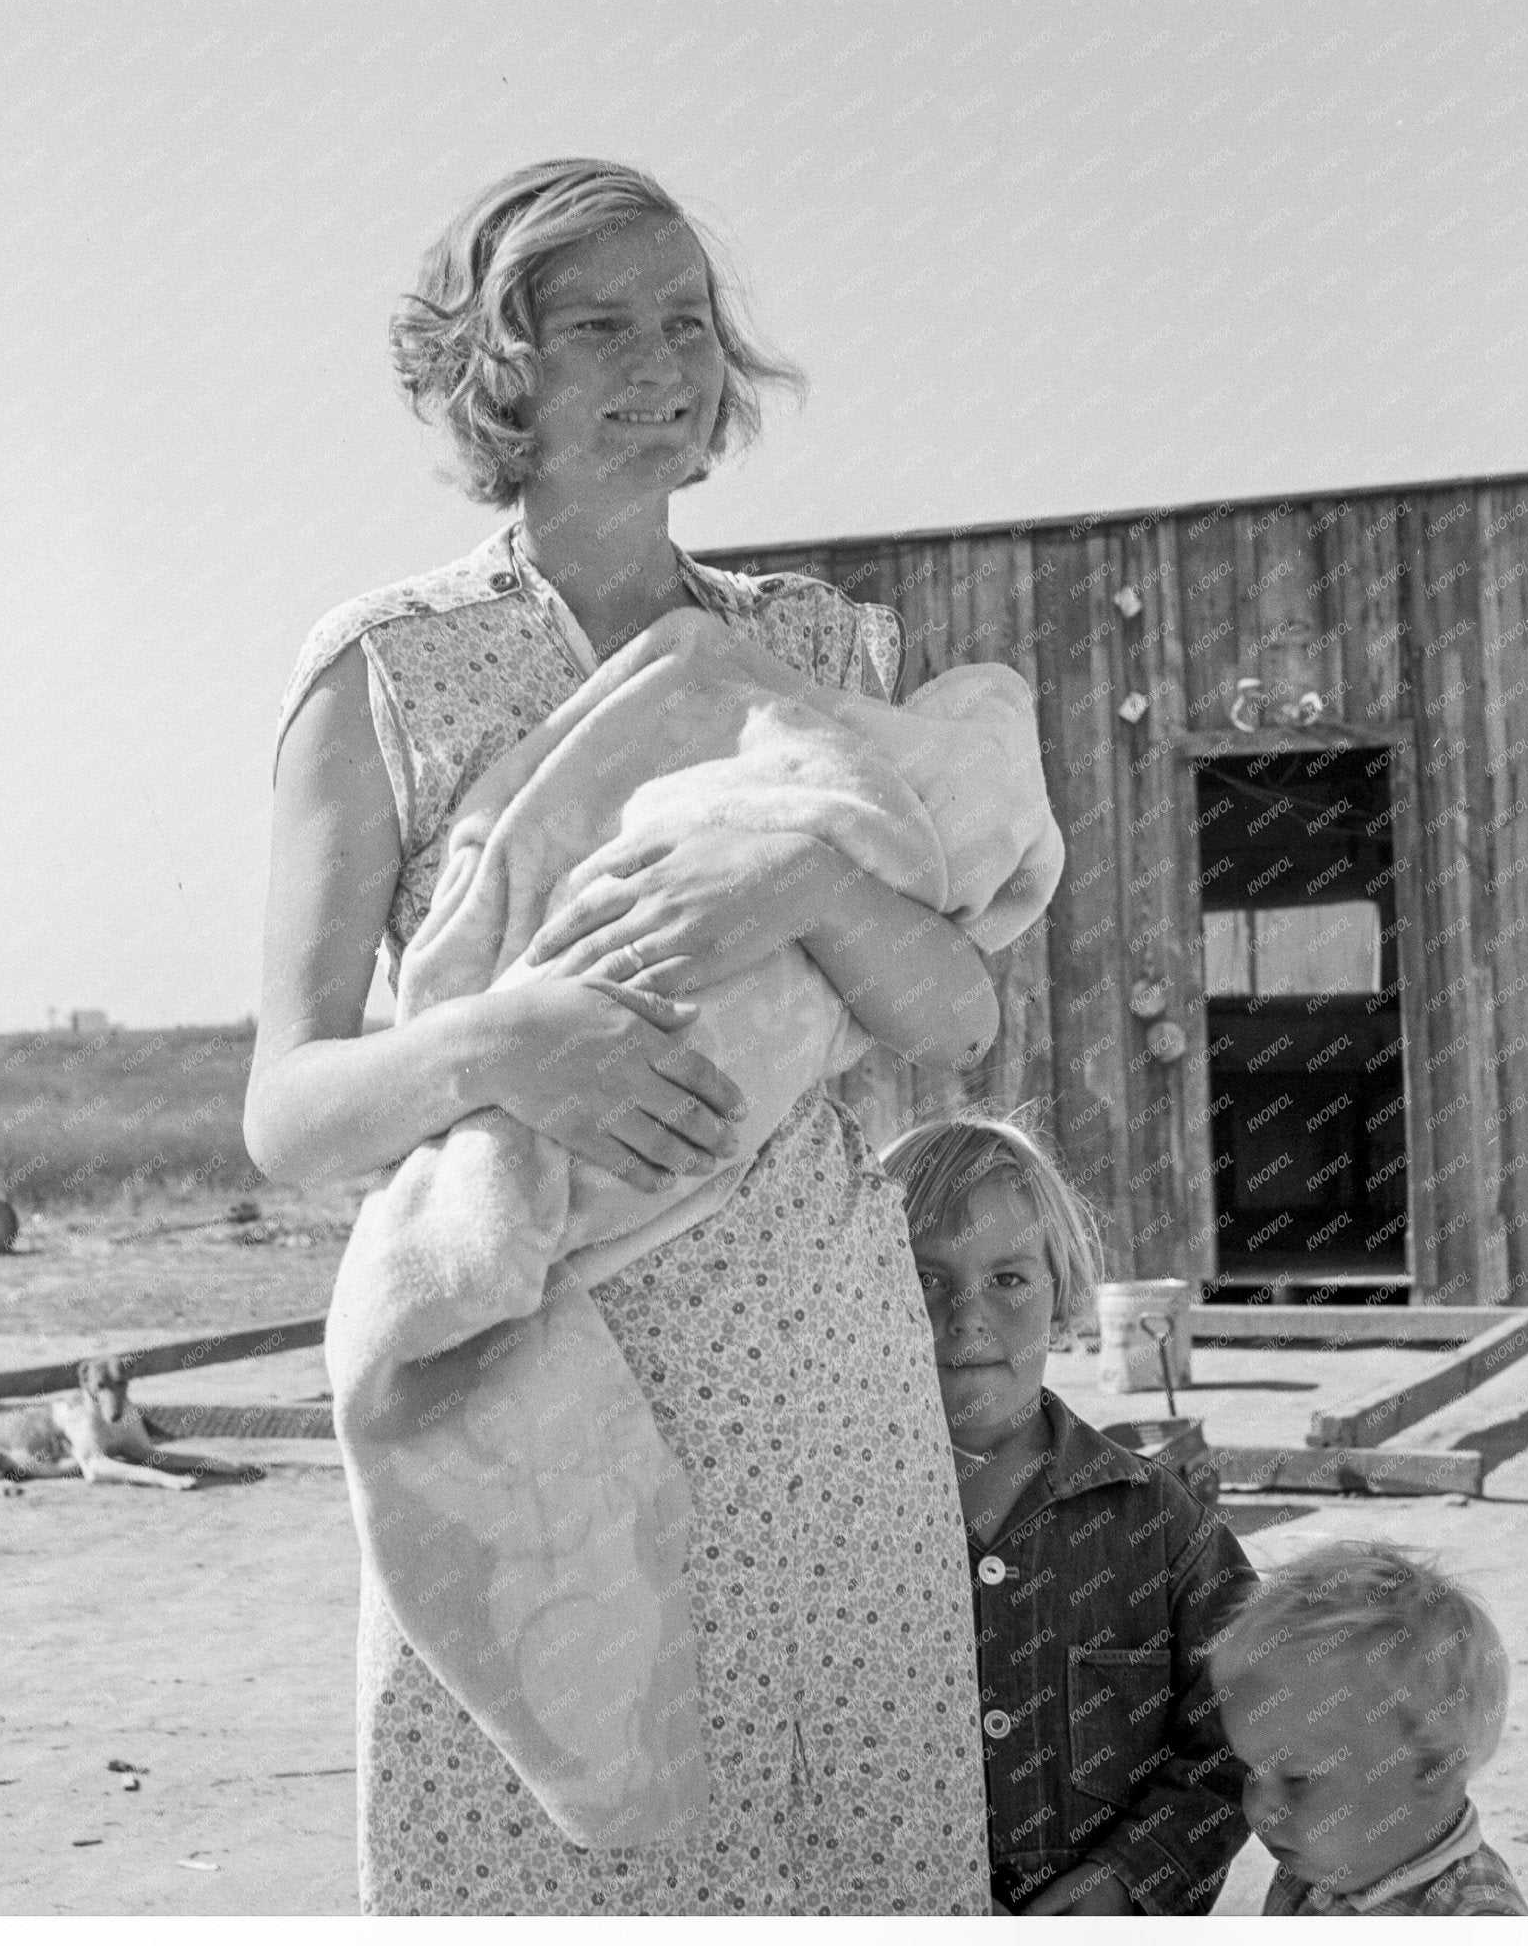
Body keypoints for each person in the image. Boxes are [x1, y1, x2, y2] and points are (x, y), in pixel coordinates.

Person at [245, 158, 1006, 1915]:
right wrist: (511, 1040)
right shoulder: (386, 670)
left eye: (686, 320)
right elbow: (290, 1113)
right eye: (596, 323)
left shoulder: (811, 642)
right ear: (493, 366)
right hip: (513, 1371)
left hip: (813, 1378)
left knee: (836, 1854)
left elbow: (952, 1022)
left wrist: (802, 877)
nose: (657, 362)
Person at [881, 1113, 1254, 1915]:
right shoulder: (829, 1528)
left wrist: (1129, 1875)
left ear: (1063, 1296)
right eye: (924, 1278)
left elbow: (1243, 1734)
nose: (965, 1315)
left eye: (1009, 1278)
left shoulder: (1161, 1529)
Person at [1210, 1539, 1528, 1915]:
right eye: (1252, 1771)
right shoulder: (1316, 1873)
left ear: (1431, 1764)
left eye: (1299, 1779)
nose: (1262, 1808)